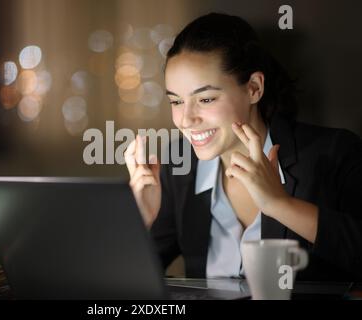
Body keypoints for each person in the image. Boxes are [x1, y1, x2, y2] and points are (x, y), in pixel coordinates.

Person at [124, 12, 362, 281]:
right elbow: (124, 280)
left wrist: (280, 204)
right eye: (176, 102)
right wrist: (139, 220)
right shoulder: (178, 168)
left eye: (206, 99)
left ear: (253, 88)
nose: (186, 119)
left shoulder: (334, 153)